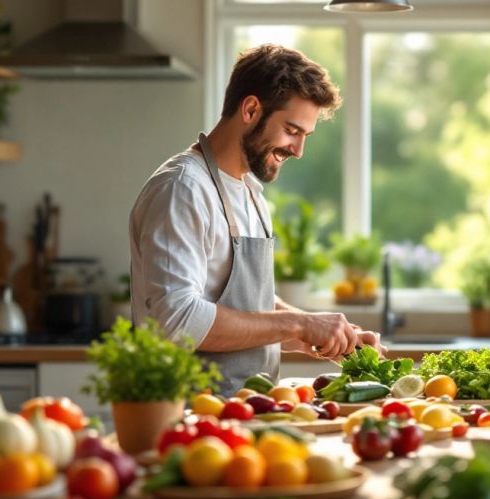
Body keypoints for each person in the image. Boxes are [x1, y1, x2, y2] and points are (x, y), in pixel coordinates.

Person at [130, 44, 384, 395]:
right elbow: (177, 320)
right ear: (250, 109)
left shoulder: (250, 191)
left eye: (304, 136)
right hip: (189, 418)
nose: (298, 151)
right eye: (292, 130)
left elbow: (249, 311)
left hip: (247, 413)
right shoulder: (184, 188)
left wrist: (326, 333)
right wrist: (298, 324)